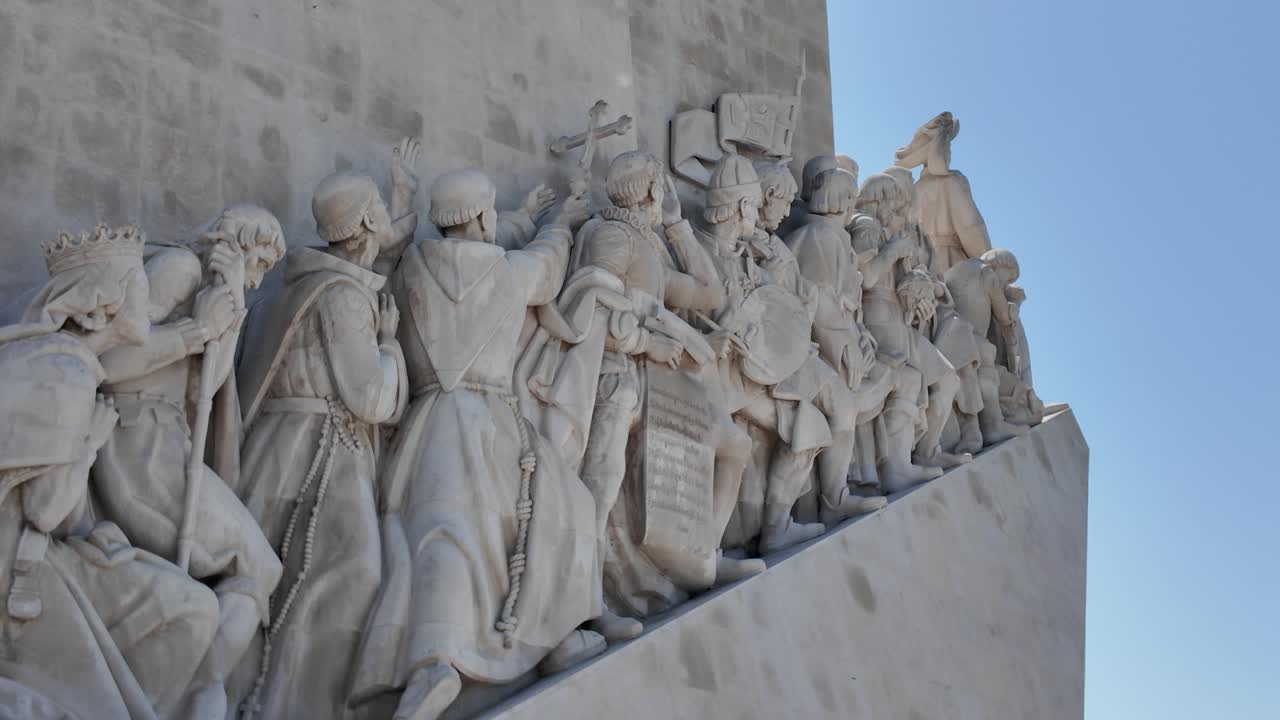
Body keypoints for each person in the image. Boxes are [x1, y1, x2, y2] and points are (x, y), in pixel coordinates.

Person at [352, 169, 604, 720]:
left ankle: (435, 661)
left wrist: (516, 215)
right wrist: (559, 221)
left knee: (439, 536)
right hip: (491, 420)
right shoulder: (509, 269)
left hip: (425, 421)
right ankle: (550, 638)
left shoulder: (411, 268)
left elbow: (395, 260)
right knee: (562, 512)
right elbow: (548, 264)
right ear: (485, 216)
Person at [0, 223, 220, 720]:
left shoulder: (49, 358)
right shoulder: (69, 375)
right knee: (193, 610)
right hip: (22, 574)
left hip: (38, 556)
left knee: (187, 603)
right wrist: (91, 443)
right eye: (140, 287)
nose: (150, 300)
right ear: (102, 306)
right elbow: (46, 511)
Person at [92, 206, 286, 719]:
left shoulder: (217, 289)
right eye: (258, 260)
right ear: (235, 242)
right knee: (257, 566)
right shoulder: (180, 269)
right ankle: (192, 688)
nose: (259, 276)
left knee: (259, 568)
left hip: (168, 442)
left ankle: (200, 687)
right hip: (138, 448)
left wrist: (231, 308)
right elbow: (109, 361)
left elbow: (205, 389)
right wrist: (197, 330)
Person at [235, 171, 409, 720]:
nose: (386, 213)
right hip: (323, 452)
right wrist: (390, 345)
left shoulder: (290, 288)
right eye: (381, 205)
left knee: (280, 583)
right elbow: (370, 399)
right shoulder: (344, 296)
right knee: (352, 575)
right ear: (367, 219)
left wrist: (404, 196)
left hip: (274, 448)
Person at [782, 166, 943, 495]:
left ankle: (894, 468)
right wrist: (847, 346)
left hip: (850, 344)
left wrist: (862, 337)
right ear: (841, 201)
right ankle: (840, 495)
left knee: (907, 378)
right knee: (867, 396)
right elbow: (821, 301)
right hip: (827, 353)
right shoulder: (821, 237)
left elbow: (847, 304)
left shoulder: (834, 238)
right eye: (850, 199)